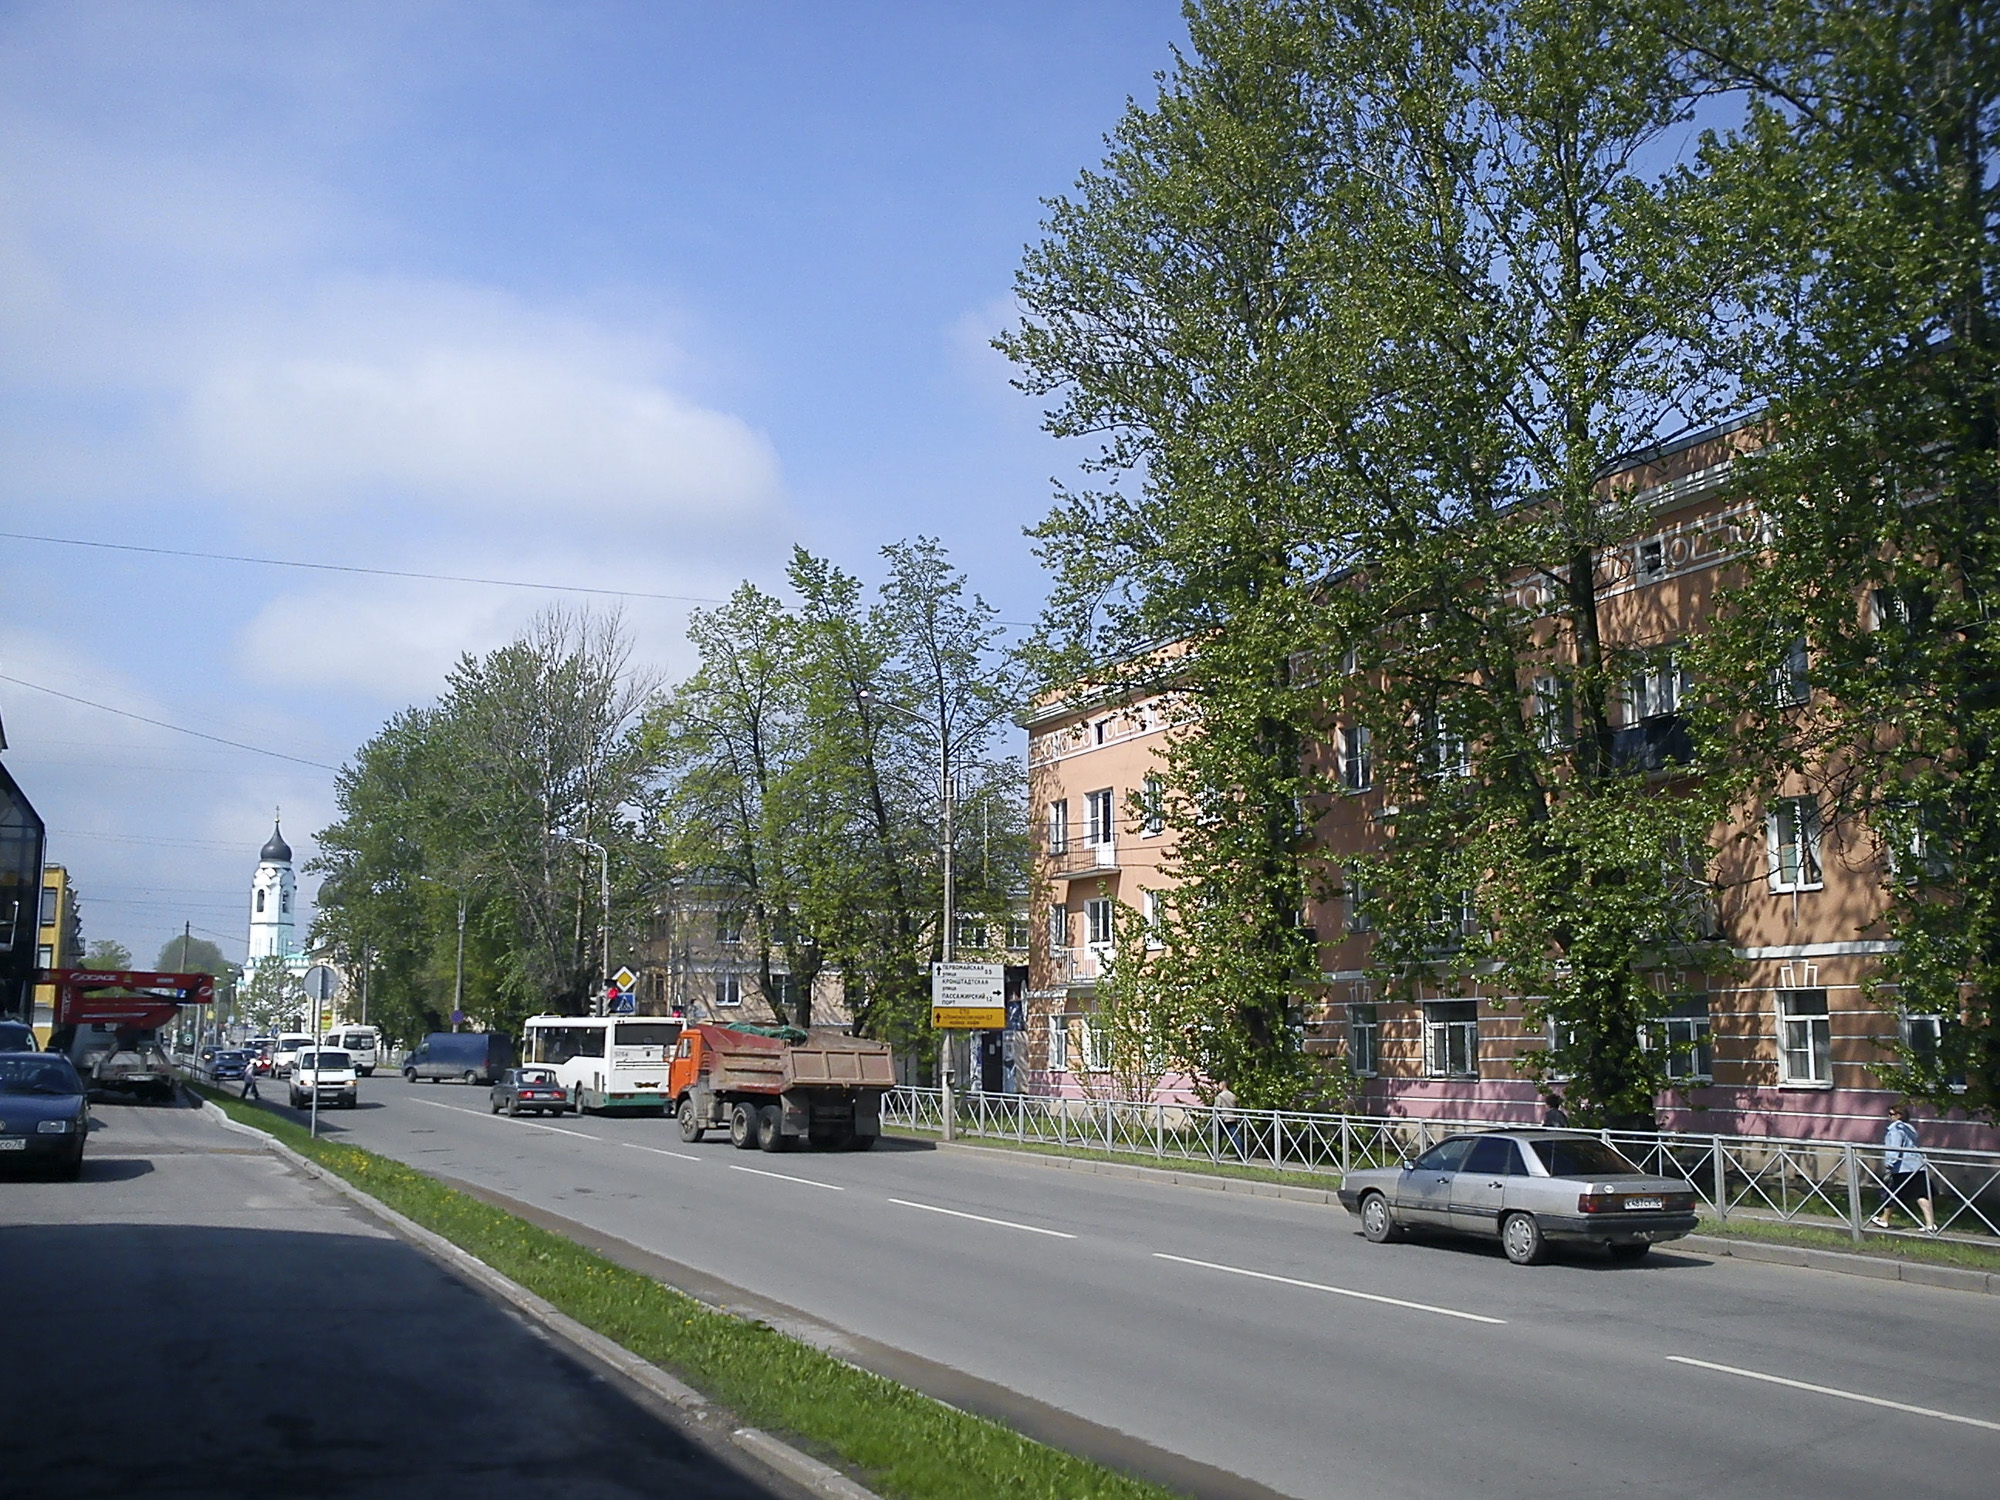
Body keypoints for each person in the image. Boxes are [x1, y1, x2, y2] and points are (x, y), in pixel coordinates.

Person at [1870, 1103, 1938, 1234]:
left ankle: (1884, 1219)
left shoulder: (1896, 1129)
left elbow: (1894, 1148)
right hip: (1917, 1165)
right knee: (1920, 1193)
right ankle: (1930, 1223)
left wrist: (1889, 1164)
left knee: (1893, 1192)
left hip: (1903, 1167)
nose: (1889, 1117)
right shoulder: (1910, 1129)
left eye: (1891, 1114)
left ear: (1899, 1116)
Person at [1214, 1083, 1242, 1157]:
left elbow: (1217, 1107)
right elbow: (1236, 1106)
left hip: (1222, 1120)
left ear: (1223, 1086)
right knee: (1235, 1137)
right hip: (1232, 1118)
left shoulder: (1220, 1096)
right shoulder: (1233, 1095)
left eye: (1219, 1085)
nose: (1218, 1087)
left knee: (1218, 1136)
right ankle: (1240, 1154)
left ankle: (1216, 1154)